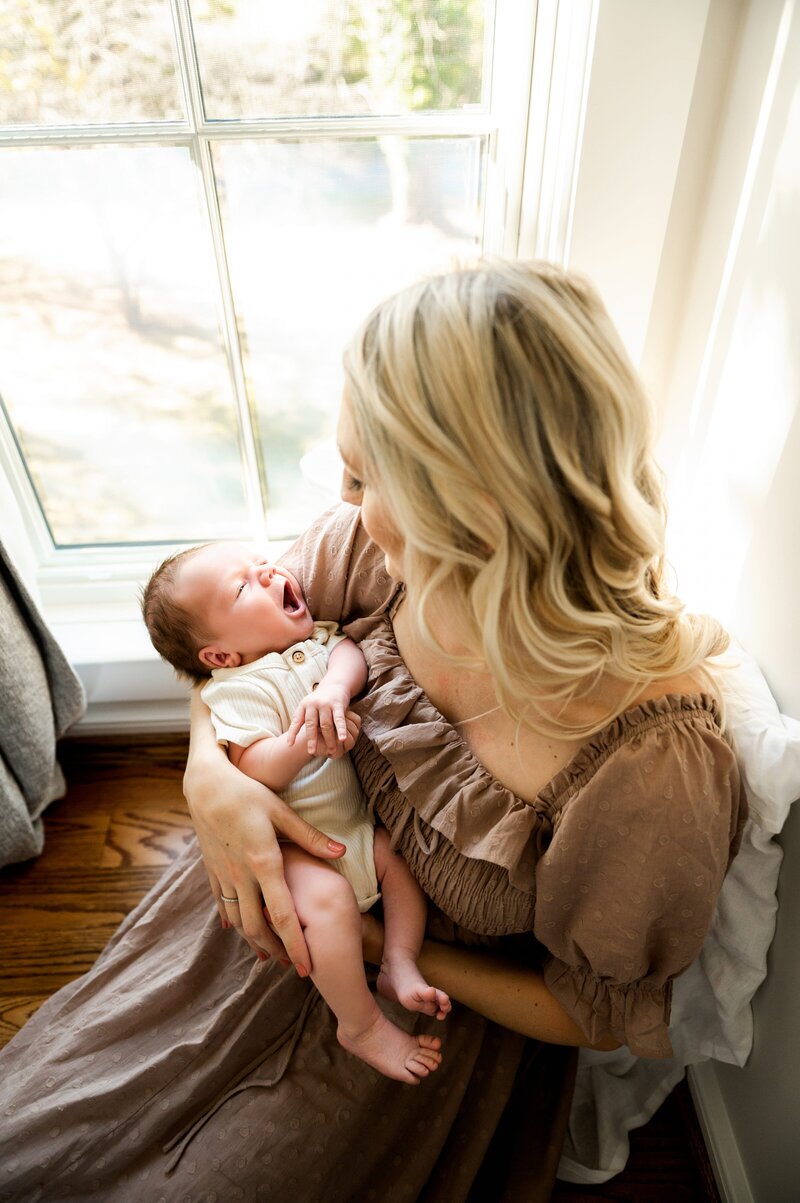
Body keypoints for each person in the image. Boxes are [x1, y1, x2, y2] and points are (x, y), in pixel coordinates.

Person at [0, 260, 746, 1202]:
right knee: (50, 1122)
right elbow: (229, 659)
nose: (344, 499)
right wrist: (210, 779)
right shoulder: (375, 548)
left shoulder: (651, 765)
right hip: (255, 901)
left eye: (362, 473)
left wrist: (384, 948)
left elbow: (595, 1014)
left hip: (424, 1008)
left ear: (474, 504)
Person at [141, 541, 450, 1083]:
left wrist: (334, 689)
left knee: (397, 862)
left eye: (260, 562)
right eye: (243, 586)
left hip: (352, 832)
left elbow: (352, 653)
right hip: (293, 851)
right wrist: (306, 738)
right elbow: (253, 767)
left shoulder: (317, 640)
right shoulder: (239, 689)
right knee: (330, 902)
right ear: (219, 655)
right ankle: (359, 1024)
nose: (267, 571)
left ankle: (399, 959)